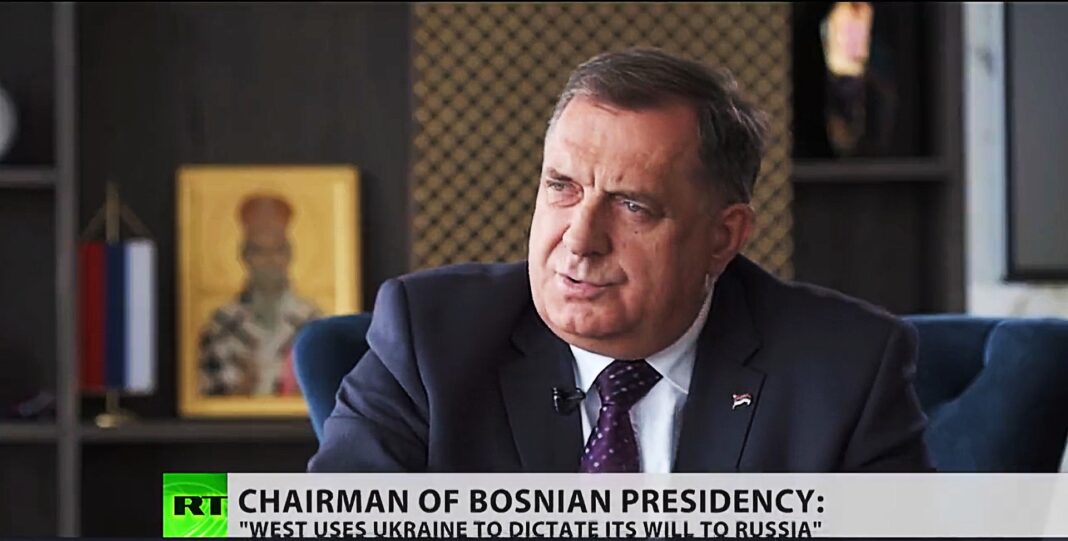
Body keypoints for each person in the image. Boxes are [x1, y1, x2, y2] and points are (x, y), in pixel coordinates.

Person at [309, 48, 932, 472]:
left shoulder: (846, 369)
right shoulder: (429, 336)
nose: (580, 240)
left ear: (724, 236)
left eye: (633, 206)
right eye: (562, 187)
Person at [199, 195, 320, 396]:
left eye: (278, 251)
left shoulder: (311, 319)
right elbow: (209, 391)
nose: (270, 261)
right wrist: (243, 388)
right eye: (259, 252)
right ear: (245, 256)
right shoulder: (222, 323)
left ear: (289, 255)